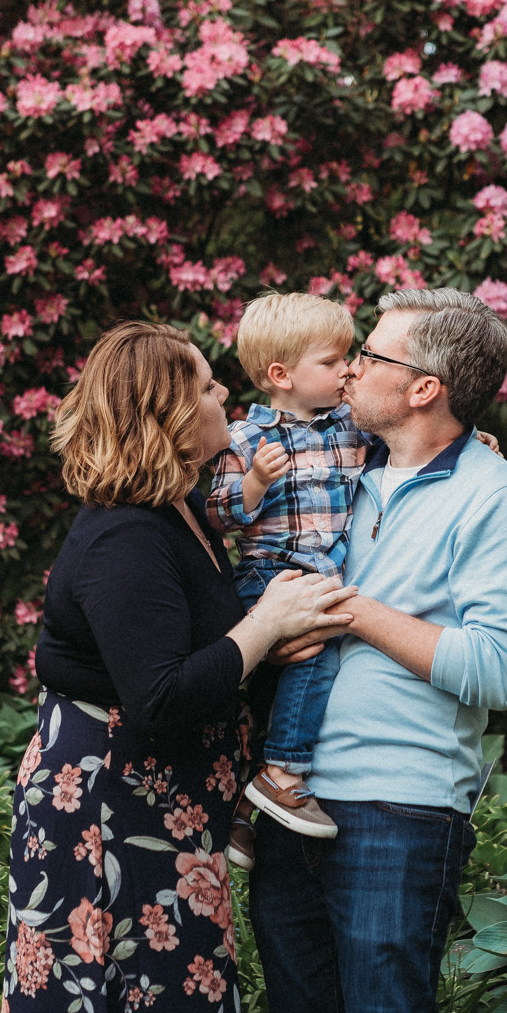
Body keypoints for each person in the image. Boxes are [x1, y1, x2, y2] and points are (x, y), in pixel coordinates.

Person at [0, 320, 357, 1013]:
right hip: (107, 821)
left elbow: (195, 645)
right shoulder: (125, 536)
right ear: (169, 415)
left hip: (159, 817)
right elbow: (158, 695)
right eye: (205, 385)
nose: (225, 390)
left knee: (174, 1009)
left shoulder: (179, 507)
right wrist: (265, 625)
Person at [248, 288, 507, 1013]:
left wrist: (345, 608)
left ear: (424, 388)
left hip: (399, 811)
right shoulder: (346, 471)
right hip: (291, 802)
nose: (349, 370)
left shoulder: (496, 494)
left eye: (372, 356)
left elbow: (495, 668)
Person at [205, 293, 371, 852]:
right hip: (269, 575)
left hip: (320, 572)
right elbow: (214, 511)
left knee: (271, 689)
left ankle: (240, 810)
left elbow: (409, 445)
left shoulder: (353, 426)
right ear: (281, 375)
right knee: (312, 654)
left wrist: (471, 444)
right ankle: (284, 773)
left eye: (349, 356)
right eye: (332, 361)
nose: (349, 368)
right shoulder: (245, 438)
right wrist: (253, 483)